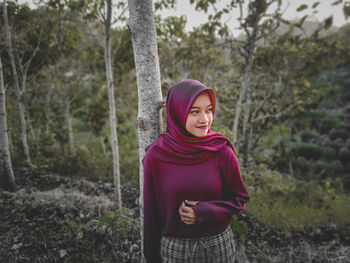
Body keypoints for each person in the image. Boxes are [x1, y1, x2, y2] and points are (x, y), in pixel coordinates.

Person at [143, 79, 250, 263]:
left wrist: (205, 211)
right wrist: (151, 257)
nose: (205, 119)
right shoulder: (157, 155)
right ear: (177, 111)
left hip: (217, 246)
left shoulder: (221, 150)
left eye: (209, 110)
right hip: (174, 249)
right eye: (195, 112)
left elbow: (238, 199)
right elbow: (151, 214)